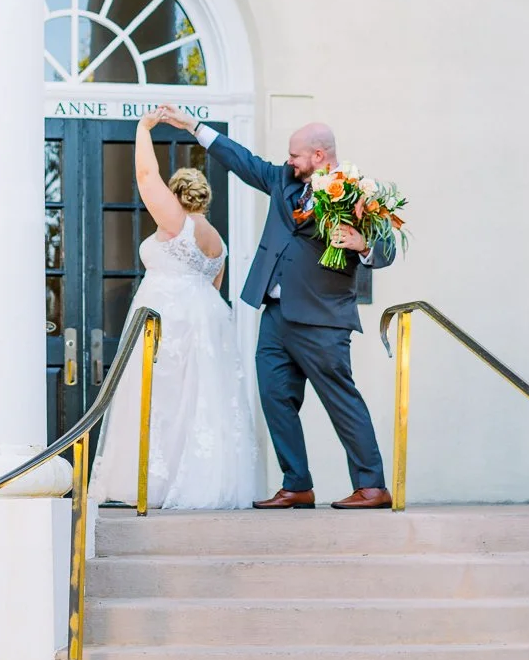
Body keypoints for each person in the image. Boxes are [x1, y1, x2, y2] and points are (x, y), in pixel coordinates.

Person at [157, 108, 395, 509]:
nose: (289, 162)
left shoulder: (358, 192)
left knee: (341, 400)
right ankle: (297, 484)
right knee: (273, 396)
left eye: (295, 156)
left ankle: (372, 486)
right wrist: (194, 128)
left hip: (323, 319)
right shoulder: (283, 180)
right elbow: (243, 162)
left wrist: (362, 244)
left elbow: (386, 248)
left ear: (319, 155)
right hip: (276, 314)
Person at [88, 110, 257, 511]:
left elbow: (146, 179)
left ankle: (152, 485)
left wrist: (143, 129)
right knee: (195, 401)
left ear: (176, 196)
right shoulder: (218, 242)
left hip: (170, 320)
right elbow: (214, 288)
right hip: (204, 321)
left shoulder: (175, 223)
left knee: (160, 399)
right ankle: (197, 480)